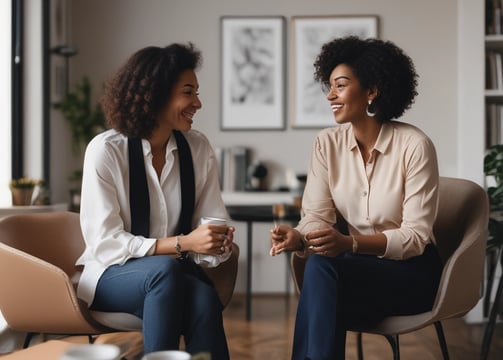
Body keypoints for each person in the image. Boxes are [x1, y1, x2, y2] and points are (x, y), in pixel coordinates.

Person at [269, 36, 443, 360]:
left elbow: (415, 238)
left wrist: (350, 244)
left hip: (412, 274)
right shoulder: (326, 145)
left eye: (340, 85)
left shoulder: (415, 146)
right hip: (355, 272)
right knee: (321, 271)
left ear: (372, 90)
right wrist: (300, 237)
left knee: (322, 279)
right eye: (329, 86)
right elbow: (316, 218)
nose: (330, 95)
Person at [75, 43, 234, 358]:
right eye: (188, 92)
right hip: (110, 274)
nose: (198, 103)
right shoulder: (107, 150)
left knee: (202, 296)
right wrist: (183, 243)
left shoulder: (198, 148)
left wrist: (216, 243)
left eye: (197, 92)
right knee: (166, 271)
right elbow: (105, 243)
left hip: (172, 275)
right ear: (156, 93)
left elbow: (212, 222)